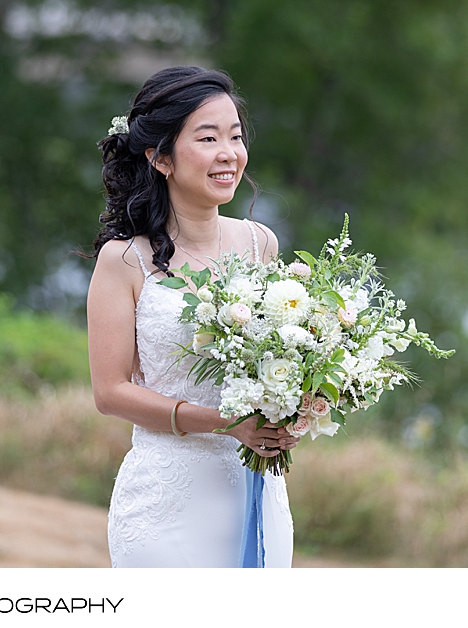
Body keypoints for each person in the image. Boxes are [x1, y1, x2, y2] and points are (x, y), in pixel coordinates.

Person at [85, 67, 297, 568]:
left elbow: (283, 357)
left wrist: (295, 408)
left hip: (256, 493)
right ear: (160, 157)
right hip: (166, 506)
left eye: (236, 136)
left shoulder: (259, 243)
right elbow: (110, 392)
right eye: (208, 138)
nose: (229, 153)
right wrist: (228, 424)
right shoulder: (123, 260)